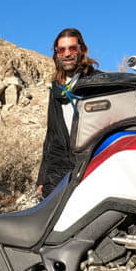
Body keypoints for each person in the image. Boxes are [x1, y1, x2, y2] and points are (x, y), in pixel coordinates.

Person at [37, 27, 99, 198]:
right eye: (61, 49)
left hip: (90, 162)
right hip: (59, 168)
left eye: (72, 48)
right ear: (57, 54)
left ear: (82, 50)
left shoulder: (98, 82)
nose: (67, 54)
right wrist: (42, 177)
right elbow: (52, 134)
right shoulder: (56, 88)